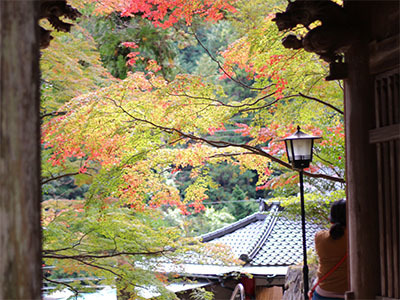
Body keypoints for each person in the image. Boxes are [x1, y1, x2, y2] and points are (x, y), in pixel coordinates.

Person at [310, 199, 348, 300]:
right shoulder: (356, 237)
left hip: (323, 293)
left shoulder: (320, 237)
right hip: (350, 293)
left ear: (331, 219)